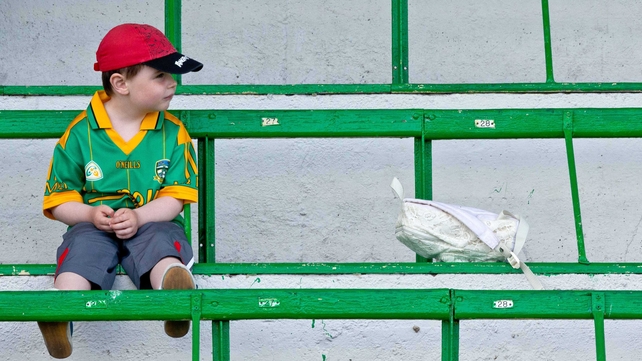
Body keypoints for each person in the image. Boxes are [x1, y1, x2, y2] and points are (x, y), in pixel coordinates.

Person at [40, 23, 203, 359]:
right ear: (120, 83)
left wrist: (141, 215)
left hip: (151, 221)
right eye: (160, 75)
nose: (173, 82)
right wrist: (87, 213)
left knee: (161, 243)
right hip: (93, 226)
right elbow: (59, 199)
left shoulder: (173, 133)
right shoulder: (80, 133)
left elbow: (174, 198)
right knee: (81, 249)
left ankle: (173, 294)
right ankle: (58, 314)